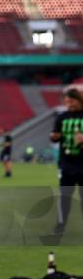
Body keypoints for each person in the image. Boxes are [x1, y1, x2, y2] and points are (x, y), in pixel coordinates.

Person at [50, 88, 83, 234]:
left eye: (71, 101)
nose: (68, 104)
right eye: (66, 101)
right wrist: (54, 137)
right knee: (64, 198)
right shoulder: (62, 117)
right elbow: (53, 135)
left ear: (79, 100)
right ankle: (60, 226)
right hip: (66, 164)